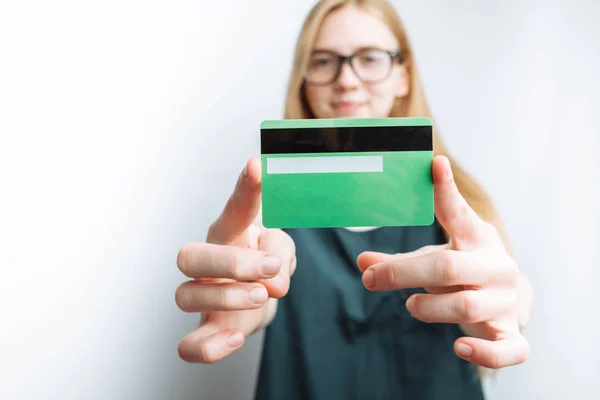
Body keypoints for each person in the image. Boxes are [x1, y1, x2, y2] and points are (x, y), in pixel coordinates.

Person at [174, 0, 533, 398]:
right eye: (324, 61)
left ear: (404, 77)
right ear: (303, 81)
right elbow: (253, 288)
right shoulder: (266, 215)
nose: (346, 79)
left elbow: (510, 292)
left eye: (370, 58)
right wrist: (241, 299)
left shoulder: (463, 211)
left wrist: (509, 304)